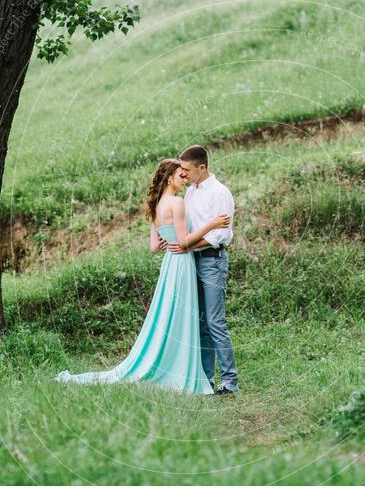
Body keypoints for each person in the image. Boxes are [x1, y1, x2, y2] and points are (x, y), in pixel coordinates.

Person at [54, 158, 230, 395]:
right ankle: (182, 369)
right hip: (182, 262)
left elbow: (154, 248)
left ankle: (181, 365)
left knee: (174, 314)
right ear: (169, 177)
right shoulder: (177, 203)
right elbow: (185, 241)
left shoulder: (157, 204)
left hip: (170, 262)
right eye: (181, 175)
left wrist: (170, 239)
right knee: (181, 317)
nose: (185, 178)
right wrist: (212, 224)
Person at [163, 145, 239, 395]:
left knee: (216, 321)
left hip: (212, 261)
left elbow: (221, 234)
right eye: (180, 170)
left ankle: (229, 381)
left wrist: (187, 246)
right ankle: (205, 379)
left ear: (202, 167)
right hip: (191, 261)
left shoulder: (219, 193)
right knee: (201, 323)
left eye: (186, 169)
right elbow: (189, 228)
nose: (183, 174)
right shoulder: (190, 193)